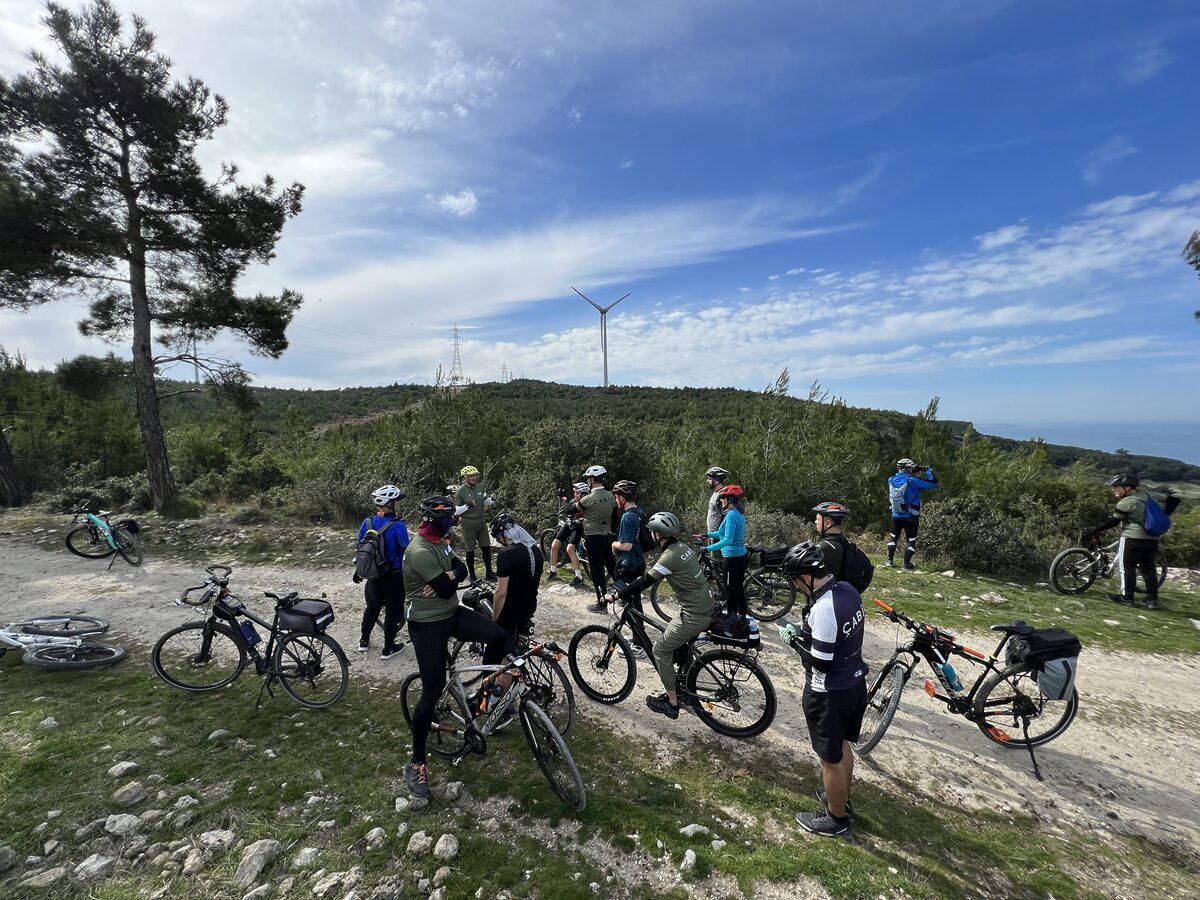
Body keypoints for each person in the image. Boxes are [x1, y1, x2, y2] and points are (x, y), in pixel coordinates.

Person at [403, 496, 508, 800]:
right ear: (434, 520)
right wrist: (449, 577)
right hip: (426, 623)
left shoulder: (441, 541)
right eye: (450, 518)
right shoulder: (420, 550)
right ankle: (417, 761)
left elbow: (462, 569)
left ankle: (484, 697)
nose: (454, 521)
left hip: (450, 613)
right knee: (433, 689)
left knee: (498, 636)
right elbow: (451, 584)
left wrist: (449, 575)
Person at [777, 542, 867, 838]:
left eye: (794, 580)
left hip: (829, 692)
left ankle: (836, 818)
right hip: (855, 683)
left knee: (829, 759)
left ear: (805, 577)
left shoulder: (824, 610)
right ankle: (840, 798)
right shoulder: (847, 591)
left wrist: (793, 640)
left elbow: (820, 661)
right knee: (842, 747)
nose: (795, 586)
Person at [614, 511, 718, 718]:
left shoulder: (669, 557)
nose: (651, 535)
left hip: (695, 613)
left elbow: (645, 582)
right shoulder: (682, 548)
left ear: (658, 535)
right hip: (706, 603)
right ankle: (687, 687)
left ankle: (672, 702)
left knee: (660, 650)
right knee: (677, 643)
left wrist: (617, 594)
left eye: (652, 532)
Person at [1088, 473, 1168, 610]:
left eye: (1116, 487)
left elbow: (1113, 522)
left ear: (1128, 488)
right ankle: (1152, 600)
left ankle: (1127, 598)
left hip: (1132, 538)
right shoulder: (1149, 495)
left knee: (1127, 568)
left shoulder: (1125, 503)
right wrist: (1163, 515)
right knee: (1149, 569)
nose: (1113, 490)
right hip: (1152, 538)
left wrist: (1094, 529)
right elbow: (1173, 500)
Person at [354, 484, 411, 660]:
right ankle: (388, 648)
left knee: (372, 608)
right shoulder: (398, 525)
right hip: (393, 575)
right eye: (397, 501)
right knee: (393, 612)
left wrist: (358, 570)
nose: (399, 504)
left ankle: (363, 641)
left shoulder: (367, 522)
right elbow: (406, 550)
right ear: (389, 503)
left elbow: (361, 547)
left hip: (373, 576)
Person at [601, 481, 650, 656]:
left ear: (622, 497)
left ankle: (639, 645)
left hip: (629, 564)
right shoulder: (640, 512)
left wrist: (613, 544)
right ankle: (638, 638)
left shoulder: (628, 517)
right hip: (638, 561)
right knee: (634, 601)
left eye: (616, 497)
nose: (615, 500)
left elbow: (626, 545)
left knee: (632, 602)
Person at [489, 511, 544, 644]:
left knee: (499, 654)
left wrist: (495, 616)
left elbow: (501, 592)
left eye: (497, 537)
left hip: (511, 609)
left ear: (503, 536)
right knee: (520, 645)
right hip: (530, 605)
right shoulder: (537, 551)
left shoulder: (506, 554)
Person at [886, 458, 938, 570]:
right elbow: (934, 483)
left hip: (896, 514)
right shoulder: (913, 480)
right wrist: (927, 470)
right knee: (911, 540)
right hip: (911, 516)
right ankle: (907, 564)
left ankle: (889, 561)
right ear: (909, 468)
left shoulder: (891, 480)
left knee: (893, 536)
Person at [706, 484, 749, 617]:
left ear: (730, 499)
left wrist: (709, 548)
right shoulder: (737, 514)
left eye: (723, 498)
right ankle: (741, 617)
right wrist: (707, 535)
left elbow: (728, 540)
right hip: (740, 557)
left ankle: (732, 620)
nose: (720, 501)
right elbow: (722, 533)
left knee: (731, 592)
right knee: (739, 589)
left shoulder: (730, 516)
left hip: (732, 559)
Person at [579, 464, 617, 608]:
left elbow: (570, 510)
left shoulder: (588, 498)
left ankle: (601, 604)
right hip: (607, 536)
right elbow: (615, 517)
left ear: (593, 479)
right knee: (612, 567)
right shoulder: (610, 496)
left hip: (592, 537)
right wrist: (613, 534)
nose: (588, 481)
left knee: (597, 571)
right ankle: (625, 596)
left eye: (588, 479)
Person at [455, 465, 496, 581]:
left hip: (481, 522)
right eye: (471, 476)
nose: (474, 478)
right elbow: (456, 510)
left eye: (475, 475)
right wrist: (468, 505)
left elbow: (486, 502)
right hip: (468, 524)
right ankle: (472, 575)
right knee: (470, 550)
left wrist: (492, 500)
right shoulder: (460, 491)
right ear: (465, 478)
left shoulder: (479, 487)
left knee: (486, 548)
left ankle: (489, 572)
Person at [547, 483, 587, 589]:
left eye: (577, 493)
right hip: (569, 524)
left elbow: (568, 509)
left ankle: (579, 577)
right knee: (554, 545)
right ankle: (553, 571)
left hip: (579, 528)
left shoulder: (585, 504)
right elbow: (568, 510)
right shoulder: (573, 501)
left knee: (570, 549)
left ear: (584, 495)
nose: (575, 495)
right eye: (575, 492)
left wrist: (564, 499)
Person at [812, 501, 851, 579]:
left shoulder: (827, 546)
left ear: (828, 523)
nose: (815, 522)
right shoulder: (842, 541)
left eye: (818, 519)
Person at [704, 466, 730, 533]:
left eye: (709, 479)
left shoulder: (722, 495)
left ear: (716, 480)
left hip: (717, 534)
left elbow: (726, 516)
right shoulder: (715, 493)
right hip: (711, 533)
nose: (707, 481)